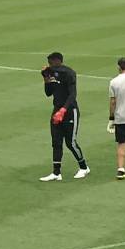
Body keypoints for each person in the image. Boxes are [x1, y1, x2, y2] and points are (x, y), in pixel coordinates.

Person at [39, 51, 90, 183]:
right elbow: (48, 93)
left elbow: (73, 95)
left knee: (70, 142)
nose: (50, 65)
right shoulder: (51, 73)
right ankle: (56, 172)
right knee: (56, 142)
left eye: (51, 63)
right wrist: (46, 79)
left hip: (70, 111)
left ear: (58, 61)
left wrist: (63, 110)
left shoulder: (68, 73)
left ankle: (84, 168)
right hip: (56, 110)